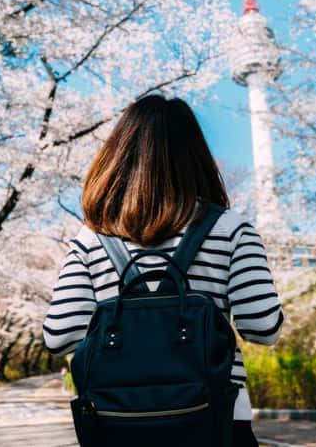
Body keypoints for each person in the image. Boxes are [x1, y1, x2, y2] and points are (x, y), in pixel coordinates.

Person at [42, 95, 284, 447]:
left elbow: (60, 337)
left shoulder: (91, 238)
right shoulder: (233, 229)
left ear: (119, 157)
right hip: (218, 423)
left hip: (118, 423)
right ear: (195, 157)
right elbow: (263, 328)